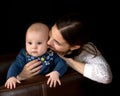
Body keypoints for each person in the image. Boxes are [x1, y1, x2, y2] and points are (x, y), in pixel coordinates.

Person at [14, 13, 112, 85]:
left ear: (74, 47)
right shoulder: (43, 32)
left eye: (57, 42)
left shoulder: (86, 50)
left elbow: (105, 76)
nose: (48, 42)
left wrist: (67, 60)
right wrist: (21, 76)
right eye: (51, 33)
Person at [5, 22, 68, 89]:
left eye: (39, 43)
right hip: (27, 84)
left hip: (44, 84)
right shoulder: (24, 54)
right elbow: (15, 65)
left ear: (48, 43)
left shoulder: (51, 54)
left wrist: (56, 72)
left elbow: (62, 63)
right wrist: (11, 77)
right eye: (30, 43)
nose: (34, 47)